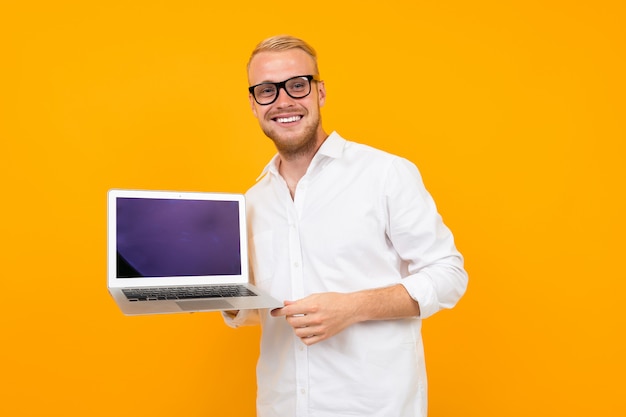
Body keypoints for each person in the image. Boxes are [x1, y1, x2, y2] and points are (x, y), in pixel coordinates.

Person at [223, 34, 468, 417]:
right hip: (282, 406)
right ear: (253, 105)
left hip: (374, 406)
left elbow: (450, 274)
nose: (284, 101)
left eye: (297, 85)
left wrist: (352, 307)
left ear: (320, 92)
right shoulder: (252, 201)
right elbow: (271, 307)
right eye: (267, 90)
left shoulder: (386, 173)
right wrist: (221, 295)